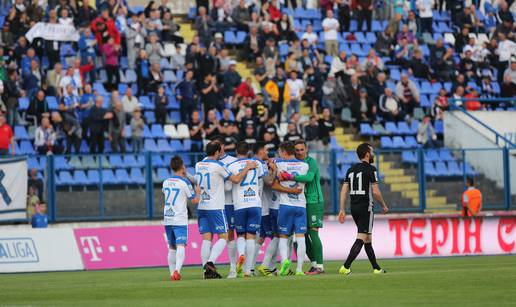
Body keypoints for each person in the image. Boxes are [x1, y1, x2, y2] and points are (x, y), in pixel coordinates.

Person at [195, 141, 257, 279]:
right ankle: (210, 263)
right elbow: (235, 180)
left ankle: (206, 273)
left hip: (202, 206)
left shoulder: (198, 165)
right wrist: (247, 168)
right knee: (224, 237)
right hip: (216, 207)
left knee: (206, 239)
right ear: (217, 152)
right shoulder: (219, 165)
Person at [338, 143, 389, 275]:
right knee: (362, 236)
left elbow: (344, 191)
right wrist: (383, 205)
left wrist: (342, 209)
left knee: (367, 238)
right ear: (367, 153)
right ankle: (345, 266)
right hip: (366, 207)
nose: (373, 153)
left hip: (354, 207)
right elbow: (376, 192)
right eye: (371, 151)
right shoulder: (371, 169)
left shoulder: (350, 170)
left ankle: (376, 268)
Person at [277, 139, 325, 274]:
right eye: (297, 150)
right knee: (301, 236)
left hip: (314, 200)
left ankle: (320, 266)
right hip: (302, 203)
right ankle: (314, 263)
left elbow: (309, 178)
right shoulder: (297, 163)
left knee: (313, 232)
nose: (299, 152)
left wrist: (290, 177)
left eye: (301, 150)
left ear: (306, 149)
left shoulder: (311, 162)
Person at [226, 142, 267, 277]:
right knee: (251, 237)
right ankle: (248, 270)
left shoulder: (231, 166)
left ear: (236, 151)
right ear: (249, 151)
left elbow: (228, 185)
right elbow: (264, 178)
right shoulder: (256, 163)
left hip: (239, 205)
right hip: (255, 204)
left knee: (241, 235)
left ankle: (241, 254)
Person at [163, 156, 201, 281]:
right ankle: (177, 271)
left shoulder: (166, 182)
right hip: (179, 218)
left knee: (171, 247)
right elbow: (194, 200)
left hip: (168, 217)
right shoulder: (184, 182)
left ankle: (171, 273)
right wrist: (198, 189)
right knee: (180, 245)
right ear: (182, 167)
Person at [274, 141, 309, 276]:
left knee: (283, 237)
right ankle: (299, 269)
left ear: (284, 152)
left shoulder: (280, 164)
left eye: (280, 152)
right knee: (300, 238)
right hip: (300, 205)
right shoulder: (304, 165)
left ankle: (284, 264)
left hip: (285, 205)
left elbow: (275, 176)